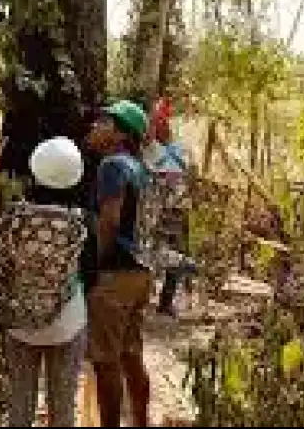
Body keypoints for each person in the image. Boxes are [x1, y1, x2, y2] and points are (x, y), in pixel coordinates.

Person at [4, 136, 89, 427]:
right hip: (68, 322)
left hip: (21, 322)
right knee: (62, 408)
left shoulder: (13, 219)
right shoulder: (79, 223)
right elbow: (87, 272)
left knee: (19, 405)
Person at [84, 99, 153, 427]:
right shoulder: (140, 168)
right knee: (130, 354)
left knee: (105, 361)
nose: (96, 127)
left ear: (122, 135)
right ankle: (141, 421)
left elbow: (109, 220)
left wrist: (94, 268)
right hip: (140, 273)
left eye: (105, 123)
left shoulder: (111, 166)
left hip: (115, 273)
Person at [143, 98, 195, 317]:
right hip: (153, 208)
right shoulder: (147, 148)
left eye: (161, 122)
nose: (157, 126)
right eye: (154, 122)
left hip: (177, 208)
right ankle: (145, 297)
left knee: (178, 254)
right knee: (148, 250)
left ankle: (166, 301)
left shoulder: (180, 148)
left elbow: (188, 174)